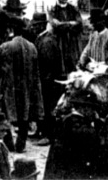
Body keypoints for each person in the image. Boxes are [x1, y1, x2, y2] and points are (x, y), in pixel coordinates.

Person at [0, 20, 44, 153]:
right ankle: (21, 144)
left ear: (12, 31)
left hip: (10, 88)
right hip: (26, 88)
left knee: (6, 114)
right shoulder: (32, 47)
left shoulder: (4, 47)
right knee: (24, 116)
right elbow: (36, 72)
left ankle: (9, 143)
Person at [30, 12, 63, 146]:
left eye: (36, 25)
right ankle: (41, 130)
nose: (33, 28)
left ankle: (49, 135)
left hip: (48, 81)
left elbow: (48, 65)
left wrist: (44, 81)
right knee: (42, 107)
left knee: (48, 108)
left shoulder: (47, 41)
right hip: (44, 80)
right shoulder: (42, 38)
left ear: (42, 26)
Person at [48, 0, 84, 76]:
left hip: (72, 39)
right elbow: (54, 24)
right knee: (61, 60)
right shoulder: (54, 10)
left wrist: (63, 24)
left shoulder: (73, 9)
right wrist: (70, 23)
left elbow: (79, 22)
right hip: (60, 39)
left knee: (73, 59)